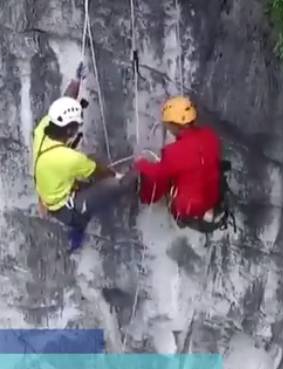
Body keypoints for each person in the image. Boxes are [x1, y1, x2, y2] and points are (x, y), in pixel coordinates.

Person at [32, 69, 137, 252]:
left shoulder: (43, 128)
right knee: (118, 184)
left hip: (47, 190)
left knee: (85, 178)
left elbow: (64, 102)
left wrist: (75, 81)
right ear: (69, 131)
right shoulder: (70, 159)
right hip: (67, 209)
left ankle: (76, 233)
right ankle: (78, 225)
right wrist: (118, 175)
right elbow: (98, 170)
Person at [135, 96, 225, 230]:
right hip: (212, 202)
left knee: (163, 182)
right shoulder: (210, 136)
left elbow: (156, 182)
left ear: (174, 124)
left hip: (189, 213)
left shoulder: (174, 152)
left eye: (167, 124)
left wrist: (140, 164)